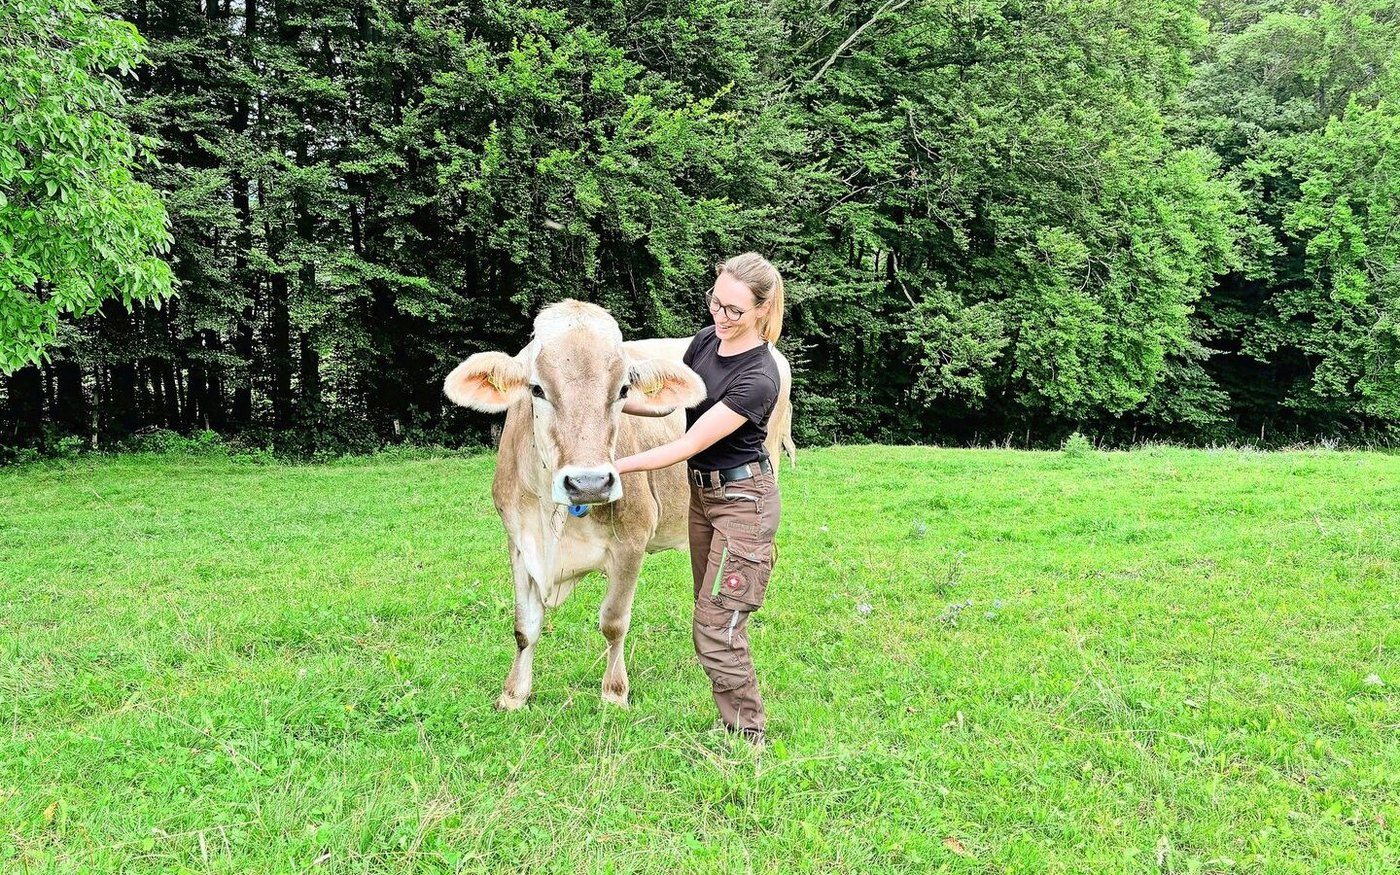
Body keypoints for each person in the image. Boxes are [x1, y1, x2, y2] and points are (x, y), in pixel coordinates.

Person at [615, 252, 785, 744]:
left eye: (735, 310)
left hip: (743, 502)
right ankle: (736, 721)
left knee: (716, 624)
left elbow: (689, 443)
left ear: (761, 308)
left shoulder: (760, 376)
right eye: (716, 302)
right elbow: (673, 403)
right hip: (704, 498)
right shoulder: (706, 342)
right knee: (712, 611)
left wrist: (614, 468)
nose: (721, 317)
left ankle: (747, 736)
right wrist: (608, 400)